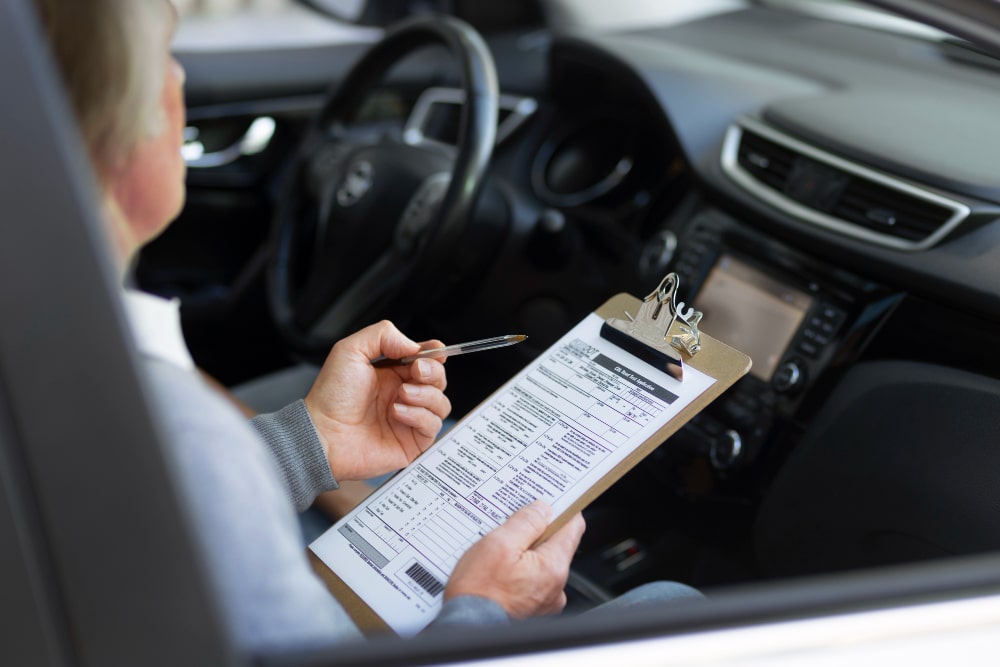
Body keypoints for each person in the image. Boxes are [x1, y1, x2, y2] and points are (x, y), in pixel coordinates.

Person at [34, 0, 589, 653]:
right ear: (107, 135)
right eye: (162, 57)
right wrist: (487, 611)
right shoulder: (174, 429)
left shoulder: (55, 367)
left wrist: (309, 443)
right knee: (673, 604)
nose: (179, 79)